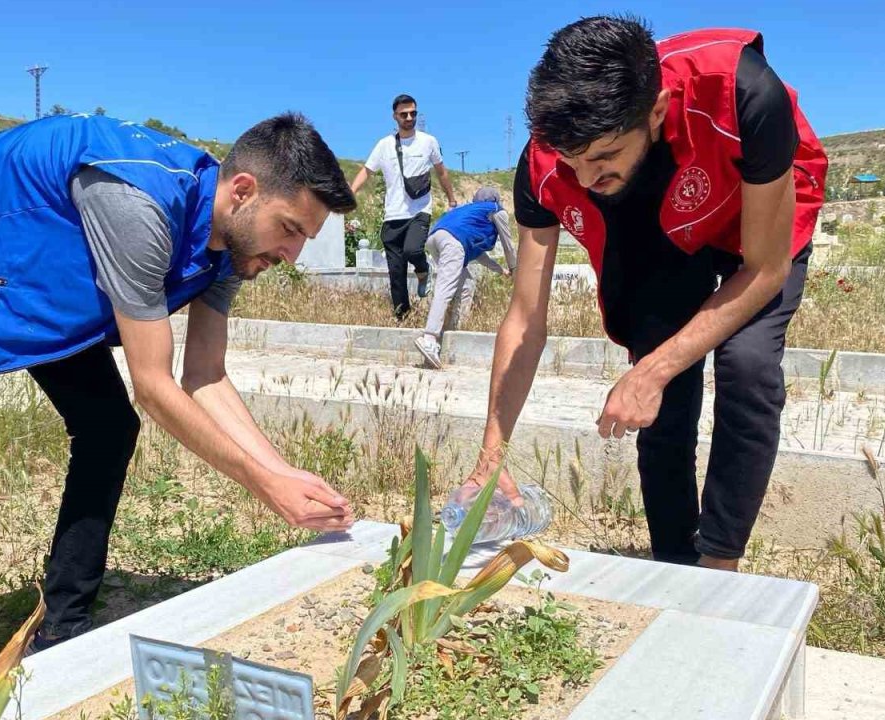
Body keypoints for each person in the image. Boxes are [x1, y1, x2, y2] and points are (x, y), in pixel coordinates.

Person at [0, 112, 358, 670]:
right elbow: (152, 387)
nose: (292, 255)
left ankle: (63, 626)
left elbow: (205, 374)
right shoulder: (138, 206)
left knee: (108, 428)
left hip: (38, 281)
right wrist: (263, 484)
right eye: (291, 229)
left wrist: (283, 472)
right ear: (244, 192)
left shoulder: (232, 245)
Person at [461, 17, 827, 571]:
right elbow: (525, 317)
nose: (583, 179)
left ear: (656, 112)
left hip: (756, 213)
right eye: (572, 162)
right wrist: (493, 451)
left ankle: (719, 563)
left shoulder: (744, 93)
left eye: (603, 158)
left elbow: (765, 269)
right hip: (660, 221)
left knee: (747, 365)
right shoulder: (545, 161)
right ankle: (676, 562)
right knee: (660, 386)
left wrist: (648, 372)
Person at [350, 94, 458, 320]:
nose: (409, 118)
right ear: (394, 116)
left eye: (413, 113)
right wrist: (351, 193)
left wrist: (451, 199)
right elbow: (367, 171)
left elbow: (441, 172)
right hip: (392, 215)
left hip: (419, 210)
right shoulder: (384, 145)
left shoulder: (428, 142)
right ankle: (402, 316)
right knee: (396, 272)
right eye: (404, 114)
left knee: (413, 251)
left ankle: (423, 270)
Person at [414, 187, 517, 369]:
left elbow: (476, 254)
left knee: (466, 282)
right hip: (452, 242)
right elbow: (508, 245)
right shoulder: (495, 209)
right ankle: (429, 337)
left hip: (436, 238)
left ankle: (456, 328)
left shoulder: (469, 212)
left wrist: (501, 270)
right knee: (446, 287)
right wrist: (515, 269)